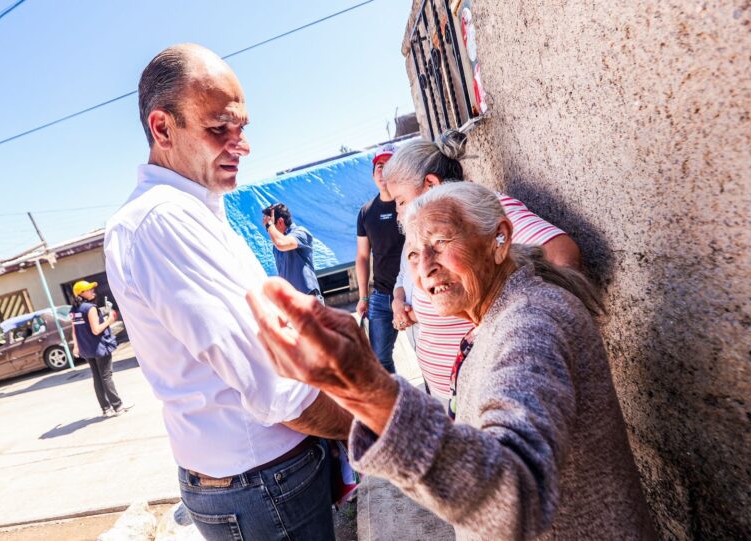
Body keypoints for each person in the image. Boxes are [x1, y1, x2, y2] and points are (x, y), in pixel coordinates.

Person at [247, 182, 655, 540]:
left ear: (499, 240)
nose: (425, 268)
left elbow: (514, 500)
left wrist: (366, 387)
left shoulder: (530, 324)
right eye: (413, 254)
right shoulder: (496, 316)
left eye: (441, 243)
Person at [104, 44, 351, 541]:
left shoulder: (192, 208)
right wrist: (375, 422)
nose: (241, 145)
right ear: (162, 127)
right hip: (264, 485)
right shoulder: (163, 221)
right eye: (220, 128)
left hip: (264, 480)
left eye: (242, 128)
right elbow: (277, 388)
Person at [384, 129, 582, 398]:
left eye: (401, 201)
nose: (398, 212)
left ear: (430, 184)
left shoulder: (481, 210)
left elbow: (561, 253)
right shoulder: (431, 230)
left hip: (492, 388)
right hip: (457, 390)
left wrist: (528, 328)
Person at [356, 143, 404, 373]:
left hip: (414, 294)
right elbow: (363, 257)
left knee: (426, 352)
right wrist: (363, 297)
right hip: (381, 297)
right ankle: (398, 406)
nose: (384, 172)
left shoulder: (408, 202)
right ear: (373, 173)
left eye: (390, 166)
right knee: (380, 361)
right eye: (379, 166)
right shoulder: (366, 212)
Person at [69, 280, 129, 417]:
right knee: (106, 376)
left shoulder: (74, 310)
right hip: (99, 347)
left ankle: (106, 409)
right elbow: (96, 330)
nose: (92, 291)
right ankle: (118, 407)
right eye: (89, 289)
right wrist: (110, 320)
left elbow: (74, 330)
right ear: (81, 293)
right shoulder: (90, 308)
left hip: (87, 349)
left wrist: (76, 347)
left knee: (97, 377)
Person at [262, 203, 323, 304]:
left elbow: (281, 243)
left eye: (269, 226)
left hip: (308, 299)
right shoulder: (276, 246)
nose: (268, 231)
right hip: (291, 302)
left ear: (280, 222)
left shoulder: (300, 233)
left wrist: (269, 225)